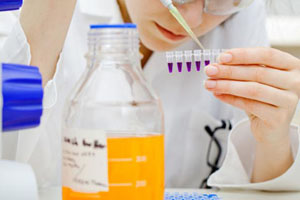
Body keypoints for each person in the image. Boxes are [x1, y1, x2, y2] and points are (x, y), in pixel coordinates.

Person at [0, 0, 299, 191]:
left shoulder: (240, 15)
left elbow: (256, 187)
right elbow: (10, 169)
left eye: (221, 0)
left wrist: (273, 139)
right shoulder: (34, 12)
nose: (192, 19)